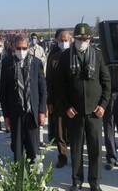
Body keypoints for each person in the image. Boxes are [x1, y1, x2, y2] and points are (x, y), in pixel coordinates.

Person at [59, 23, 111, 191]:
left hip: (94, 113)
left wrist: (103, 105)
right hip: (75, 112)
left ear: (90, 39)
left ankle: (95, 182)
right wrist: (67, 106)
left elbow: (106, 83)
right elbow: (61, 86)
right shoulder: (66, 57)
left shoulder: (98, 55)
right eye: (79, 38)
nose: (82, 41)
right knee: (76, 149)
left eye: (85, 38)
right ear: (74, 38)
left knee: (95, 149)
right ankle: (77, 180)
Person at [0, 35, 47, 162]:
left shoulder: (36, 63)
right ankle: (19, 175)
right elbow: (3, 92)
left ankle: (33, 175)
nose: (21, 51)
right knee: (17, 147)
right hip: (16, 113)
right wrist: (6, 116)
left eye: (24, 48)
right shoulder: (7, 64)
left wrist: (42, 111)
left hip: (32, 112)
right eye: (19, 48)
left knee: (33, 148)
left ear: (28, 47)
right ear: (13, 47)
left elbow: (43, 89)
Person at [46, 30, 71, 168]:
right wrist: (49, 101)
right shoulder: (53, 58)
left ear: (71, 40)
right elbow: (48, 80)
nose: (63, 42)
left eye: (66, 39)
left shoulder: (75, 56)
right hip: (58, 101)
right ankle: (62, 156)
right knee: (60, 131)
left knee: (74, 131)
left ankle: (76, 155)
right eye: (61, 40)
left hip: (74, 102)